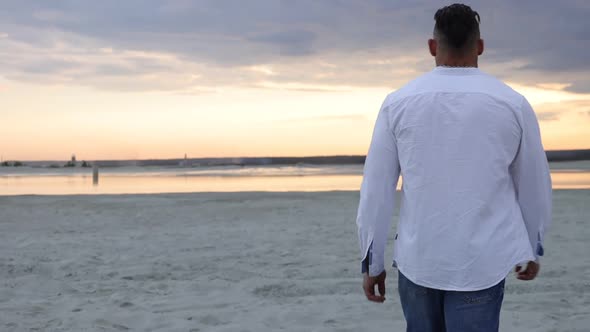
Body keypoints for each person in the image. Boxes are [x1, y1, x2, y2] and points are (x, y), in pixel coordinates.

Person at [355, 3, 552, 331]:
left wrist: (371, 261)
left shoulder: (398, 103)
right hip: (480, 264)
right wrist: (532, 246)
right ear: (480, 47)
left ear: (432, 47)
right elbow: (533, 185)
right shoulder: (512, 103)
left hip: (419, 259)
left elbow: (375, 190)